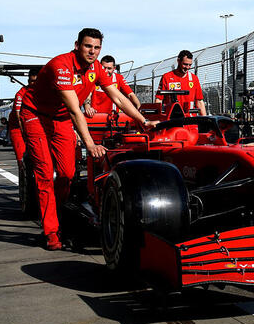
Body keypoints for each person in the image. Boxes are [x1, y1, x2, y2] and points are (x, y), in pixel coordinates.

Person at [20, 28, 157, 250]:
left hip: (61, 119)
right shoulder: (61, 66)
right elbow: (76, 111)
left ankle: (58, 211)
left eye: (96, 47)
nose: (92, 51)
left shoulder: (96, 69)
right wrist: (90, 144)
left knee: (67, 173)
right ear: (77, 45)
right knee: (45, 173)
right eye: (87, 46)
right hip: (36, 116)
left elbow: (118, 98)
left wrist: (143, 121)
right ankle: (52, 232)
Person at [155, 50, 207, 115]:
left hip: (190, 121)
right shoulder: (167, 77)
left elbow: (199, 101)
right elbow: (159, 100)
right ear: (178, 61)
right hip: (171, 120)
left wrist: (206, 120)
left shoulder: (194, 79)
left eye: (190, 65)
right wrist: (157, 118)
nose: (187, 67)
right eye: (185, 64)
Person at [8, 67, 40, 168]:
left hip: (34, 125)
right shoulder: (20, 94)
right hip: (17, 127)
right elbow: (18, 117)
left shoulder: (45, 93)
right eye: (32, 81)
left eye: (37, 81)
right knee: (21, 155)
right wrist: (26, 135)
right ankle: (23, 179)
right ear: (28, 81)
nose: (34, 84)